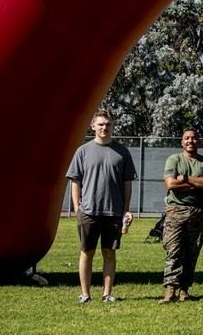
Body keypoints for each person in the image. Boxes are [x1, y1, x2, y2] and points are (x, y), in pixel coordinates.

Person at [65, 110, 137, 304]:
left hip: (114, 212)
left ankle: (107, 294)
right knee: (86, 253)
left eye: (108, 124)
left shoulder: (122, 152)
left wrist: (126, 209)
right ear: (93, 126)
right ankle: (85, 294)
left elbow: (127, 183)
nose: (104, 127)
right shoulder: (83, 151)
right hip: (88, 211)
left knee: (109, 252)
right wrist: (77, 208)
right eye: (101, 124)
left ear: (113, 126)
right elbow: (75, 182)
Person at [159, 129, 203, 304]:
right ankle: (171, 290)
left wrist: (184, 178)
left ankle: (184, 289)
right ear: (182, 142)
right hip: (176, 211)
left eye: (194, 138)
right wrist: (197, 183)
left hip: (198, 212)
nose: (190, 141)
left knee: (193, 252)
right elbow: (170, 184)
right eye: (187, 138)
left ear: (199, 141)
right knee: (174, 250)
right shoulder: (174, 159)